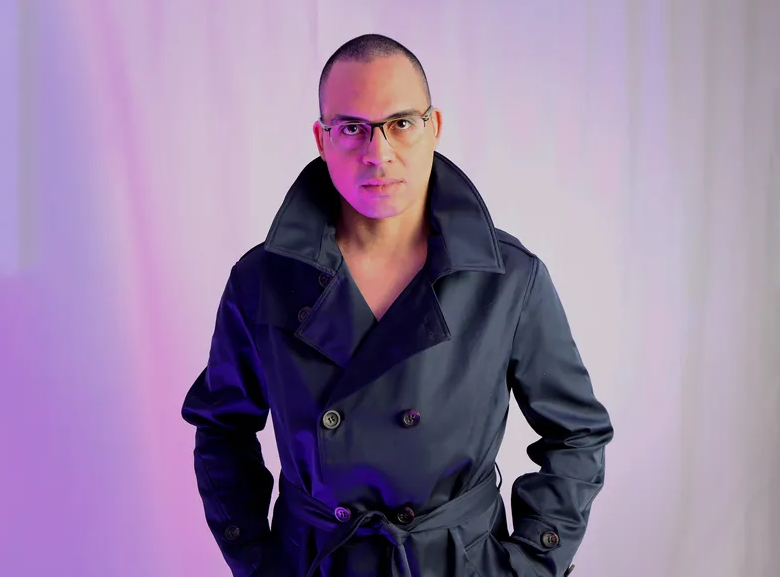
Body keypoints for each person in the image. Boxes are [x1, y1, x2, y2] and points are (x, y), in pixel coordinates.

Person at [181, 33, 614, 577]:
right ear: (321, 139)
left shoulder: (508, 279)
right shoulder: (261, 280)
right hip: (317, 563)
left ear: (434, 128)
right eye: (352, 128)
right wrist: (256, 562)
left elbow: (576, 434)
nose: (378, 153)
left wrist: (529, 564)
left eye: (401, 123)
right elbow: (222, 428)